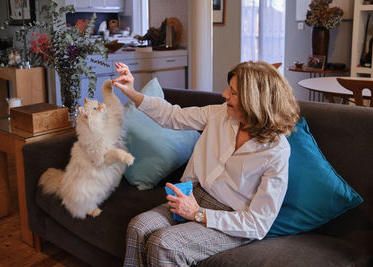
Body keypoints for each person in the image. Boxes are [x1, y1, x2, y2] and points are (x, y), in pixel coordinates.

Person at [112, 61, 300, 267]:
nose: (224, 94)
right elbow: (172, 116)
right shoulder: (220, 115)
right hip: (196, 195)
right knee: (139, 226)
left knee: (164, 244)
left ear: (254, 101)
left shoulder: (276, 151)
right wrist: (132, 92)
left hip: (232, 219)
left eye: (234, 92)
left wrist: (197, 214)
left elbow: (259, 223)